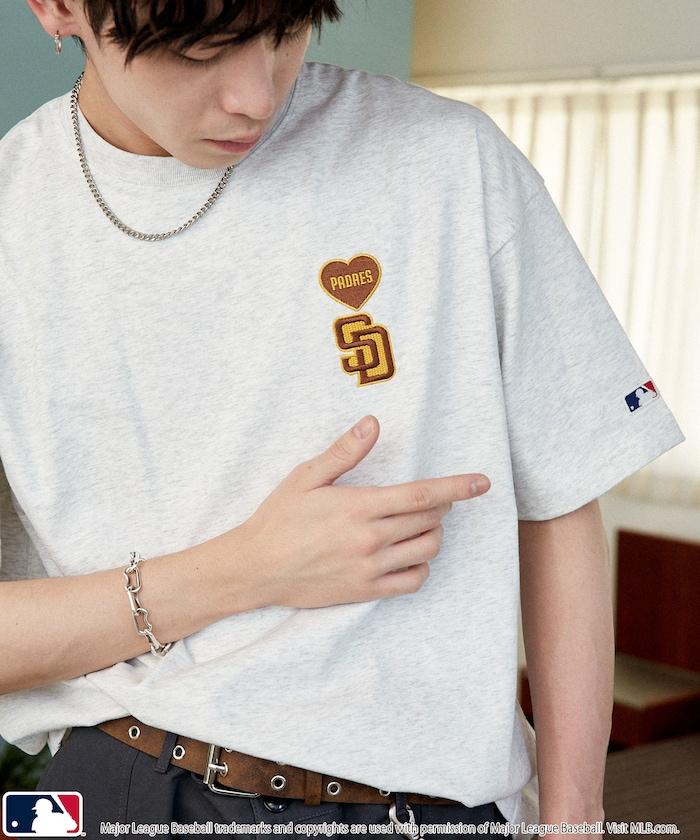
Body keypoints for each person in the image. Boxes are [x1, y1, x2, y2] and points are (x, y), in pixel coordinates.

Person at [0, 2, 686, 839]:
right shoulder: (14, 220)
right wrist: (247, 570)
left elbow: (562, 497)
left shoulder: (446, 162)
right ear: (58, 8)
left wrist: (576, 820)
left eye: (285, 32)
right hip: (122, 788)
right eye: (200, 51)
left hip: (425, 808)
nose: (256, 95)